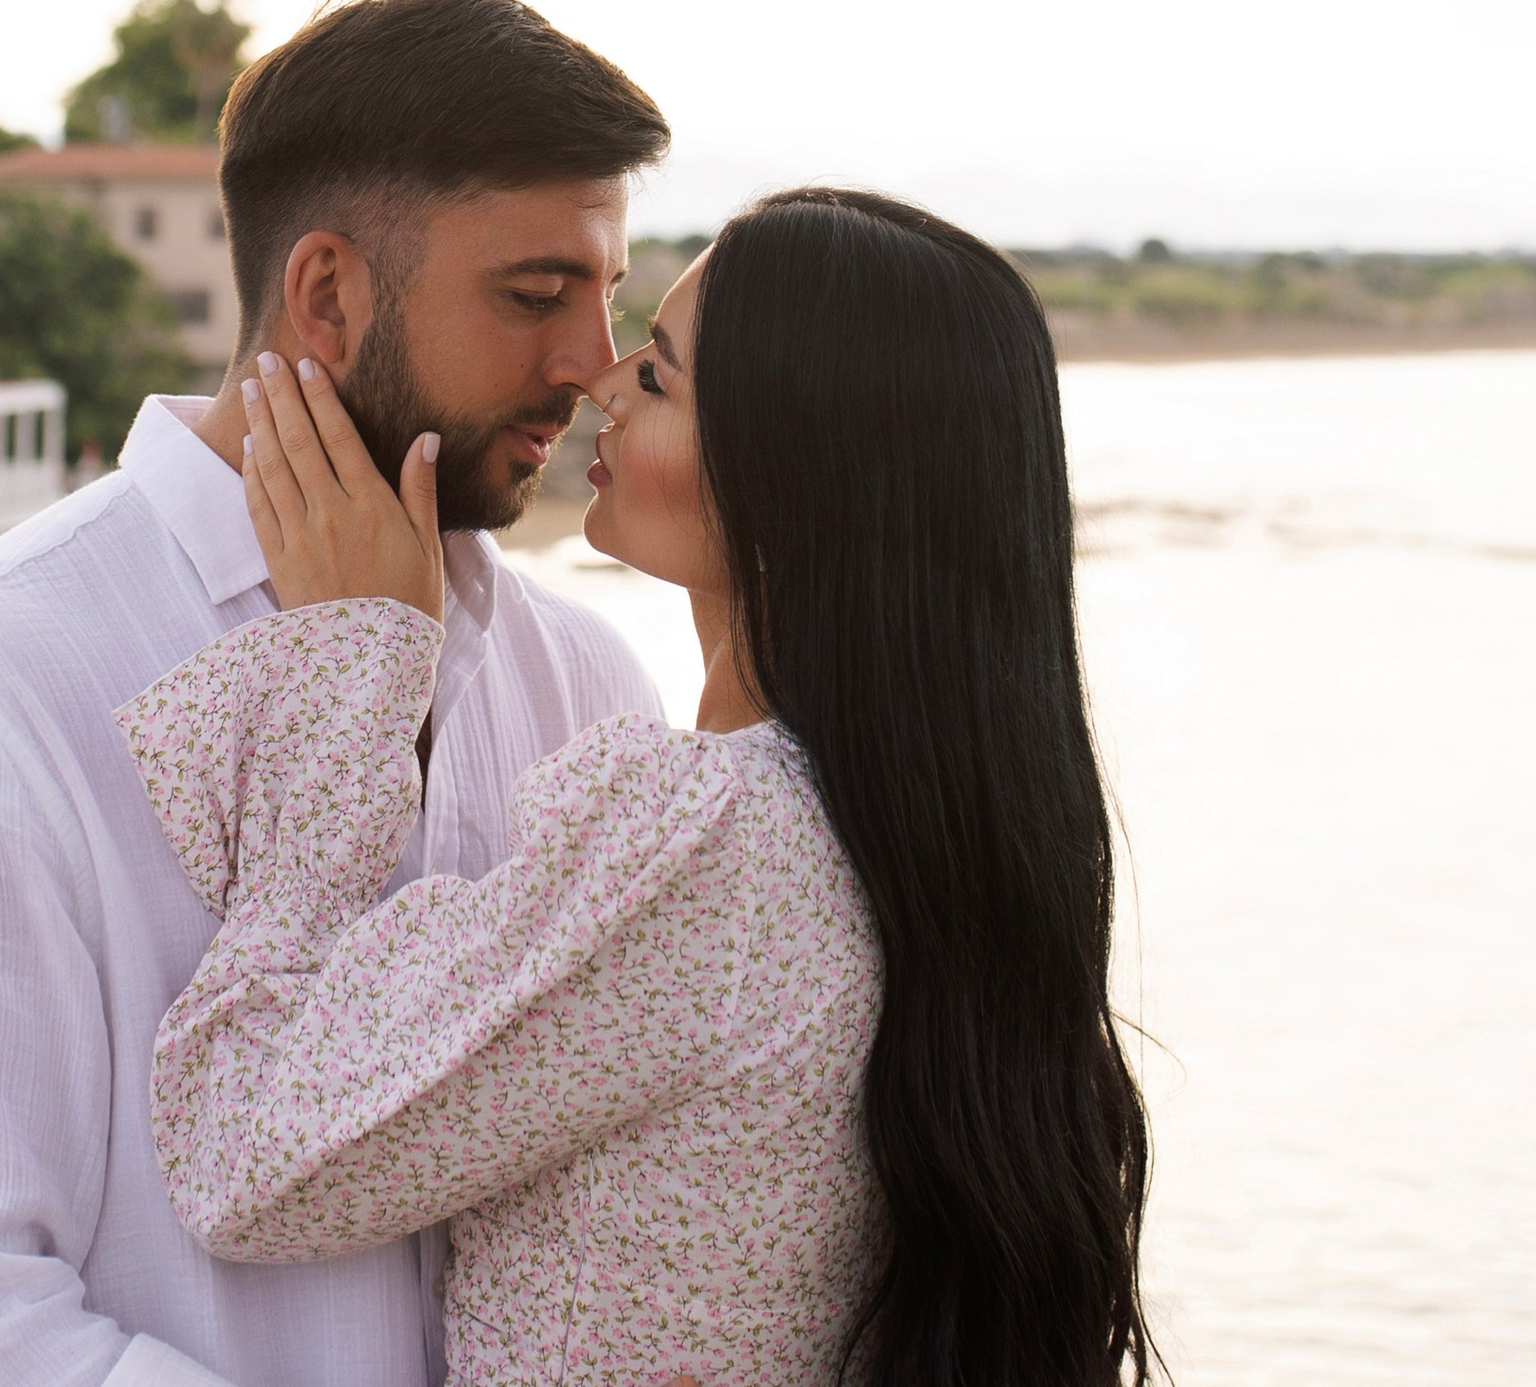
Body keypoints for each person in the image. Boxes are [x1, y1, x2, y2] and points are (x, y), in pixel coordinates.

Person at [120, 189, 1157, 1387]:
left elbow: (246, 1156)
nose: (602, 382)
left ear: (792, 473)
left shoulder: (716, 843)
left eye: (657, 375)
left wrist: (353, 670)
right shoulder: (925, 834)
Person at [0, 0, 674, 1385]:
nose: (590, 363)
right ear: (326, 292)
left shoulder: (587, 684)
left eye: (607, 295)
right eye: (535, 294)